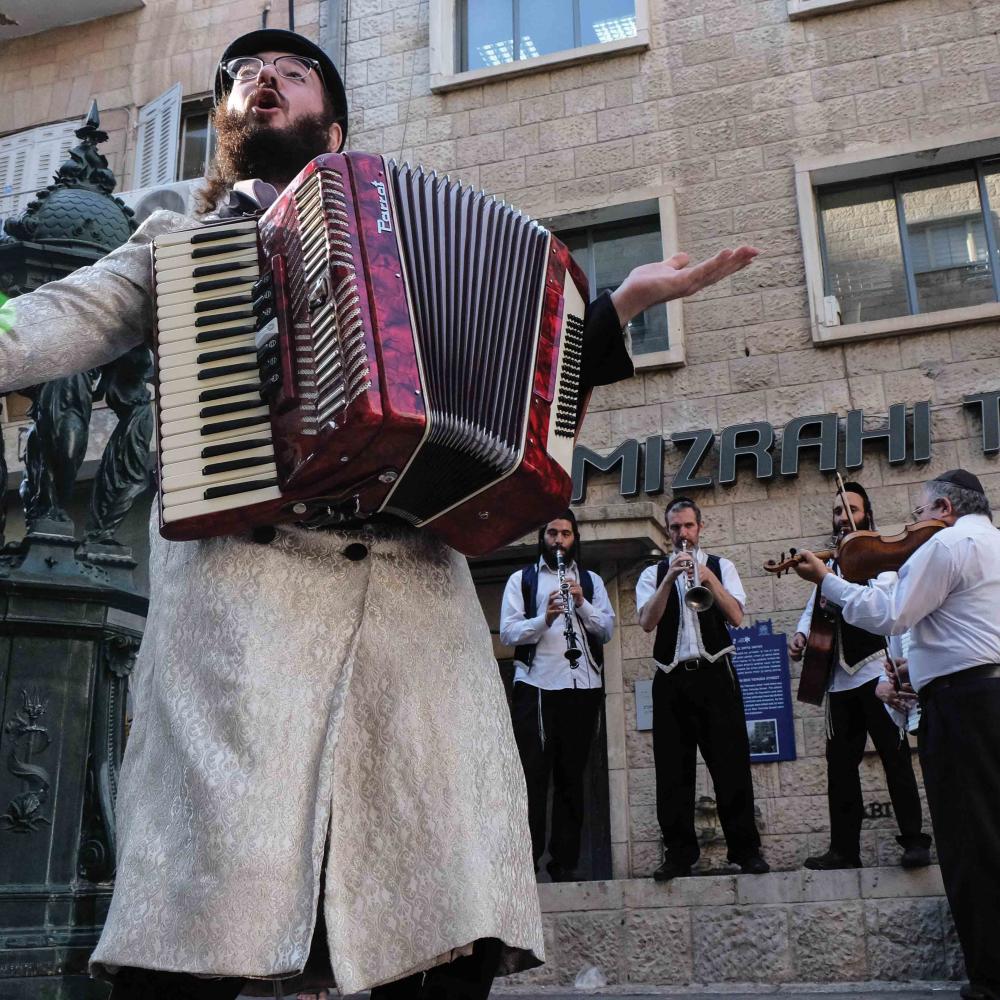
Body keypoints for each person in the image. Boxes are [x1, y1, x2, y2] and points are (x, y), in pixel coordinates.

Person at [0, 28, 760, 1000]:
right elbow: (52, 315)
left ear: (336, 119)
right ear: (225, 124)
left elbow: (517, 383)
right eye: (241, 79)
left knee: (441, 916)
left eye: (289, 72)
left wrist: (611, 314)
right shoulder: (177, 244)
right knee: (198, 920)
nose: (261, 82)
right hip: (243, 605)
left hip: (412, 607)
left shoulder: (397, 237)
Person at [791, 470, 1000, 1000]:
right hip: (984, 690)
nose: (913, 523)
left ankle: (992, 975)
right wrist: (922, 670)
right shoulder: (994, 542)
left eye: (921, 511)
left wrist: (826, 579)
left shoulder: (947, 542)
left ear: (946, 508)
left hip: (964, 707)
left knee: (970, 836)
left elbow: (890, 613)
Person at [788, 483, 930, 871]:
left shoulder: (881, 561)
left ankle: (914, 841)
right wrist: (801, 635)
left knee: (896, 759)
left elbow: (887, 606)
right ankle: (844, 849)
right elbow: (811, 609)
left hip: (875, 672)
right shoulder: (827, 566)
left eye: (850, 509)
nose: (842, 516)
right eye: (837, 510)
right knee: (840, 769)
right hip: (839, 679)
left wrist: (847, 573)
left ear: (866, 514)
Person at [635, 497, 768, 881]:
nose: (682, 535)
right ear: (667, 531)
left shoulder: (721, 566)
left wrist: (705, 577)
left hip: (715, 672)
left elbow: (738, 616)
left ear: (700, 527)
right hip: (671, 676)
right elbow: (647, 622)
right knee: (672, 772)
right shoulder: (653, 573)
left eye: (688, 527)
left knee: (731, 764)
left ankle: (745, 851)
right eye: (675, 528)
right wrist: (670, 578)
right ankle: (679, 854)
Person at [499, 510, 614, 883]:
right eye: (552, 533)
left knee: (572, 778)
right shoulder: (523, 580)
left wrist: (581, 603)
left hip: (583, 686)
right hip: (537, 686)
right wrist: (545, 618)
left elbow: (607, 629)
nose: (559, 540)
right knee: (534, 778)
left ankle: (565, 863)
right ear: (542, 537)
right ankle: (525, 863)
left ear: (574, 538)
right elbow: (508, 634)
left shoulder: (592, 582)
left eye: (565, 534)